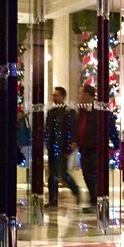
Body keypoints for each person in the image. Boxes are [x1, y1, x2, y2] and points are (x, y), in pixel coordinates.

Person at [45, 86, 80, 208]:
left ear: (63, 97)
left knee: (62, 173)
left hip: (62, 147)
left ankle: (75, 190)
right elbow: (48, 129)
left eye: (56, 95)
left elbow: (72, 130)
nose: (54, 97)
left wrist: (69, 147)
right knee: (52, 174)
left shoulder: (69, 112)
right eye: (53, 95)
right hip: (52, 147)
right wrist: (47, 143)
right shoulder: (51, 112)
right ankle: (53, 199)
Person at [75, 84, 99, 213]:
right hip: (84, 147)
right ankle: (93, 200)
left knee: (92, 175)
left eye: (81, 93)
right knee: (86, 175)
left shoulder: (97, 110)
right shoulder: (82, 110)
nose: (79, 96)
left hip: (93, 147)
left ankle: (96, 201)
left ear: (87, 95)